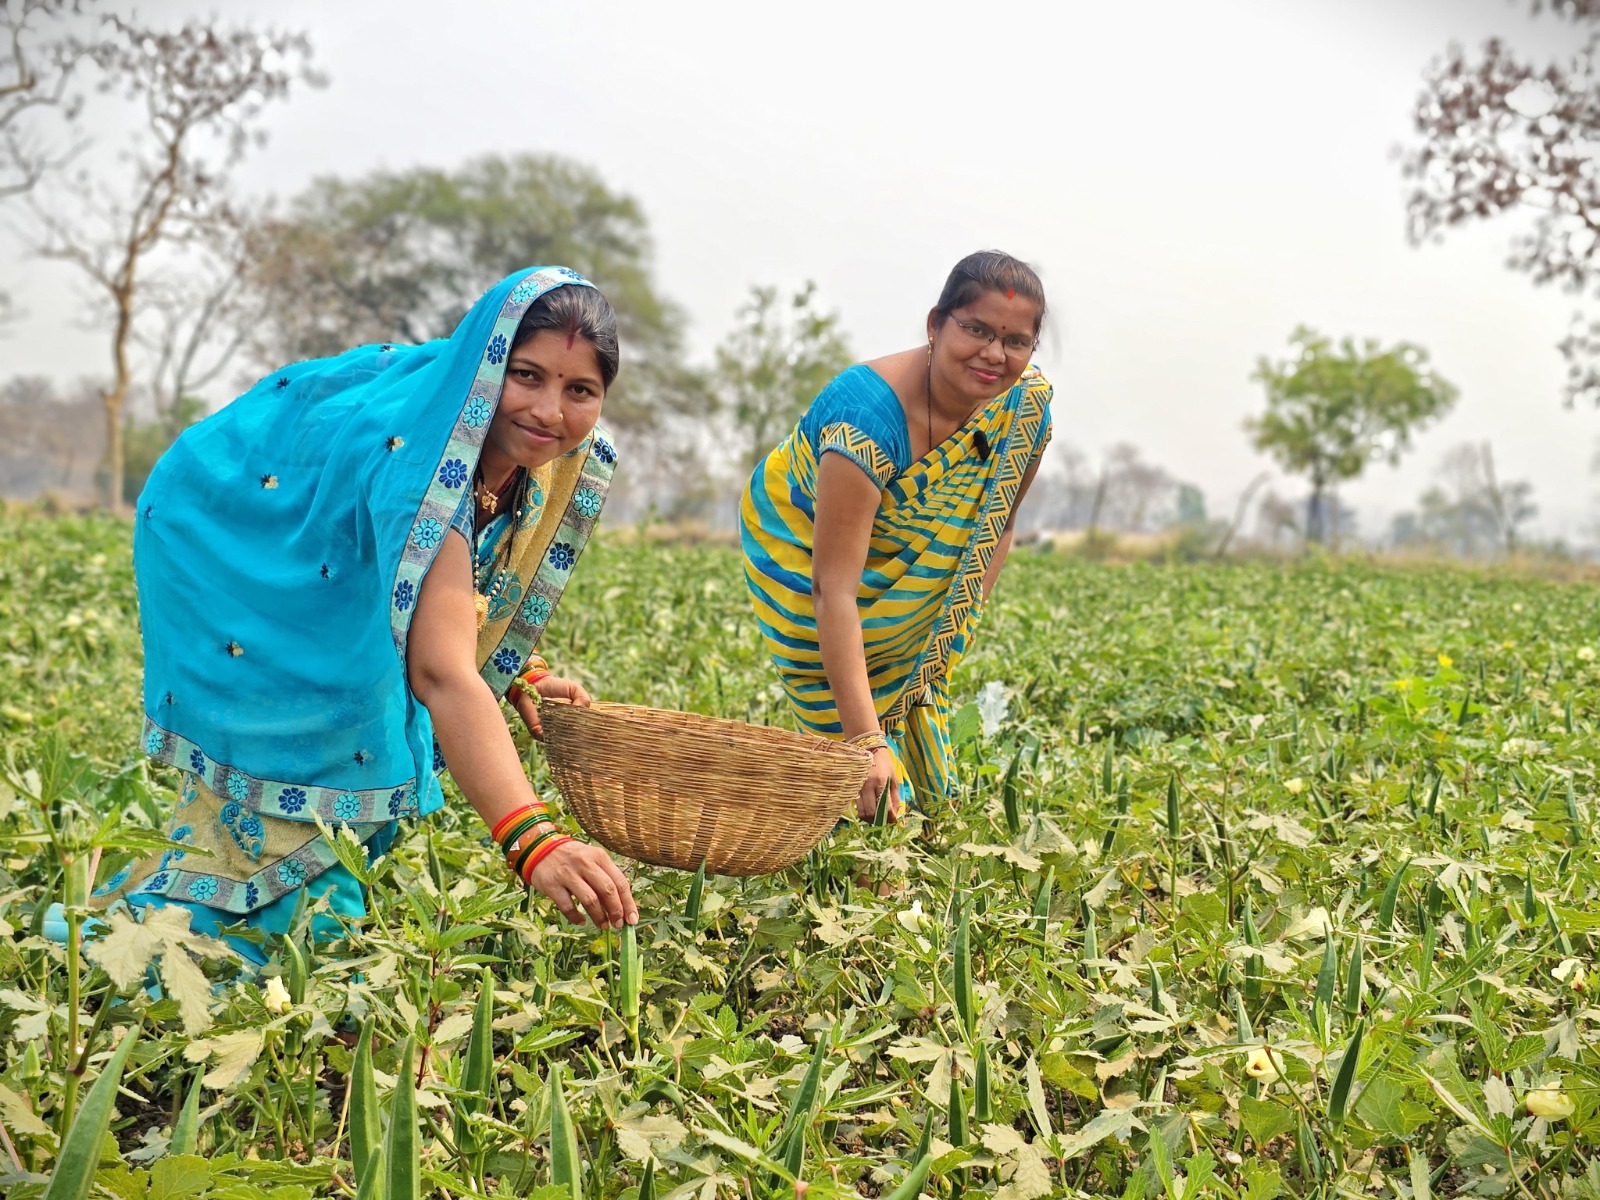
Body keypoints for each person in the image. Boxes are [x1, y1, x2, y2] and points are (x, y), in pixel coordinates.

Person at [85, 266, 639, 964]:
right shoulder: (424, 475)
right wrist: (534, 840)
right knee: (307, 783)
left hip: (332, 555)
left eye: (579, 390)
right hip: (240, 540)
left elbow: (443, 594)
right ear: (486, 363)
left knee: (361, 768)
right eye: (525, 375)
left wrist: (515, 667)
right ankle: (157, 944)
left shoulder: (525, 451)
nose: (549, 411)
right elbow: (440, 673)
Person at [740, 251, 1053, 821]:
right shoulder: (866, 419)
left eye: (1015, 341)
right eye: (976, 329)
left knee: (930, 791)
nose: (993, 354)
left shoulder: (1021, 414)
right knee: (852, 750)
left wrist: (945, 628)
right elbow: (831, 590)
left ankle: (900, 787)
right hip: (801, 544)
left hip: (883, 573)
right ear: (936, 324)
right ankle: (850, 789)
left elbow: (1001, 520)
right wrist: (867, 741)